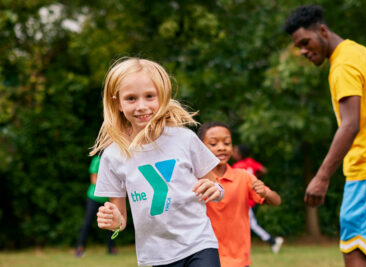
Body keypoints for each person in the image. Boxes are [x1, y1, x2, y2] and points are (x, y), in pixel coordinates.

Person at [285, 5, 366, 267]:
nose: (304, 51)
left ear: (323, 31)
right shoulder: (358, 51)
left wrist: (321, 177)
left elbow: (350, 125)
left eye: (306, 42)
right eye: (299, 47)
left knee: (354, 248)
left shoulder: (343, 66)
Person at [90, 57, 224, 267]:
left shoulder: (184, 139)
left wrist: (216, 189)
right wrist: (115, 222)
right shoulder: (113, 156)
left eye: (149, 96)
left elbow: (216, 186)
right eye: (131, 98)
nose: (142, 106)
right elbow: (121, 220)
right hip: (158, 255)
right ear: (117, 103)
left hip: (199, 243)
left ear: (162, 97)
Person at [197, 122, 282, 267]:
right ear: (200, 148)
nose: (222, 147)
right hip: (206, 258)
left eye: (227, 143)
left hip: (239, 260)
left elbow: (276, 201)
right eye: (213, 143)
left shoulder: (243, 177)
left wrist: (266, 192)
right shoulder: (196, 178)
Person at [232, 144, 284, 254]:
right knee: (247, 223)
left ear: (240, 154)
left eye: (235, 151)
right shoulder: (251, 162)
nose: (232, 152)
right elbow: (264, 170)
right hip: (253, 198)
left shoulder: (237, 167)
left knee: (251, 224)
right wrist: (256, 177)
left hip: (243, 199)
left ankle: (272, 240)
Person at [75, 155, 117, 257]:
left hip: (108, 198)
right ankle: (79, 248)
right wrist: (111, 185)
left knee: (112, 223)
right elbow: (94, 180)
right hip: (94, 198)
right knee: (87, 223)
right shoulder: (97, 160)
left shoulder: (115, 159)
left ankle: (111, 248)